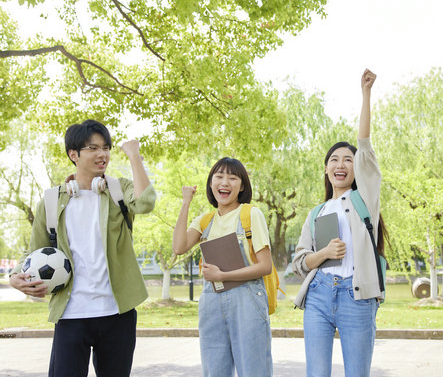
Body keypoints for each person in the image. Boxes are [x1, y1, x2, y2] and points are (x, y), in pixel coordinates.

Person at [9, 119, 156, 377]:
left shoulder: (118, 190)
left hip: (117, 313)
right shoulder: (52, 200)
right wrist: (14, 277)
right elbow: (34, 251)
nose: (103, 154)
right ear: (73, 154)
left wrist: (134, 156)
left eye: (106, 147)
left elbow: (145, 203)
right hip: (71, 314)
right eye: (93, 148)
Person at [291, 69, 387, 377]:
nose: (340, 164)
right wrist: (324, 253)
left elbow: (365, 144)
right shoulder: (317, 212)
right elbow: (299, 263)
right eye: (334, 159)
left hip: (356, 297)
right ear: (325, 169)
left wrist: (366, 94)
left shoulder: (365, 200)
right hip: (318, 295)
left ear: (357, 168)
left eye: (348, 159)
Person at [172, 157, 273, 377]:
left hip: (246, 300)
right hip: (211, 302)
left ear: (242, 185)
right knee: (214, 371)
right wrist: (186, 202)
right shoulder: (205, 221)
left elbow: (265, 266)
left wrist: (223, 274)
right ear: (210, 183)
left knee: (254, 370)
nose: (224, 182)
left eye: (232, 177)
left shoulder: (250, 214)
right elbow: (179, 247)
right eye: (219, 176)